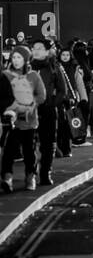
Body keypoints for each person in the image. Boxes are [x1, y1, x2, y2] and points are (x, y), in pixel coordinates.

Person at [2, 50, 45, 193]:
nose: (15, 60)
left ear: (26, 59)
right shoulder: (6, 75)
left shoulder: (34, 76)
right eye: (13, 57)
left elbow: (41, 95)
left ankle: (30, 176)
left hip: (29, 119)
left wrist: (32, 105)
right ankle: (7, 177)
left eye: (19, 57)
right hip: (11, 118)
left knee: (29, 151)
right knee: (9, 151)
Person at [29, 40, 67, 186]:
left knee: (48, 143)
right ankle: (31, 173)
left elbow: (62, 90)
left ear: (47, 51)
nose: (36, 51)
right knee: (29, 143)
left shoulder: (54, 67)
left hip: (48, 109)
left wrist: (52, 103)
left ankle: (45, 172)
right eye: (34, 48)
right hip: (29, 109)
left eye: (40, 48)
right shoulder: (27, 66)